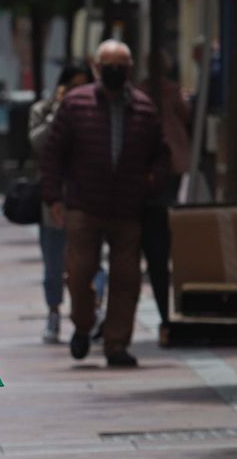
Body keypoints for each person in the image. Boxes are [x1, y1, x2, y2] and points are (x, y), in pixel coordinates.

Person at [39, 40, 169, 367]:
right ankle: (83, 325)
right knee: (80, 272)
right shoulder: (75, 104)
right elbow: (54, 153)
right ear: (96, 66)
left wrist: (152, 182)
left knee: (126, 279)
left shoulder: (143, 107)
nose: (114, 71)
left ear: (129, 68)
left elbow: (160, 154)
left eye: (120, 65)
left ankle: (116, 343)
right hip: (84, 205)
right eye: (108, 64)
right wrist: (53, 197)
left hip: (128, 208)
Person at [28, 63, 93, 344]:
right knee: (54, 264)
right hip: (53, 199)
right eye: (73, 86)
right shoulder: (43, 110)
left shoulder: (96, 110)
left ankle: (92, 311)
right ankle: (54, 313)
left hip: (89, 199)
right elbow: (39, 144)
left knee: (89, 263)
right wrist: (59, 111)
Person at [142, 51, 192, 327]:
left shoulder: (139, 91)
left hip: (150, 176)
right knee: (165, 214)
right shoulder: (171, 91)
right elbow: (187, 114)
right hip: (171, 163)